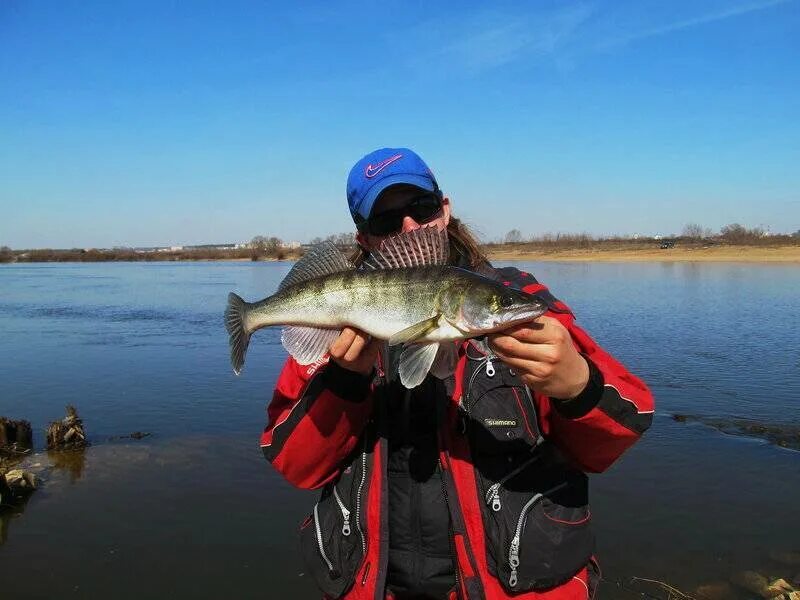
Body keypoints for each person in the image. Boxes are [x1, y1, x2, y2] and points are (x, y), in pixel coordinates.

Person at [261, 148, 655, 599]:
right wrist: (344, 382)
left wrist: (577, 387)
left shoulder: (516, 299)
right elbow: (295, 464)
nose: (409, 226)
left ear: (444, 211)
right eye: (388, 222)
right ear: (365, 239)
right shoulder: (342, 322)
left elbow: (618, 434)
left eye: (421, 209)